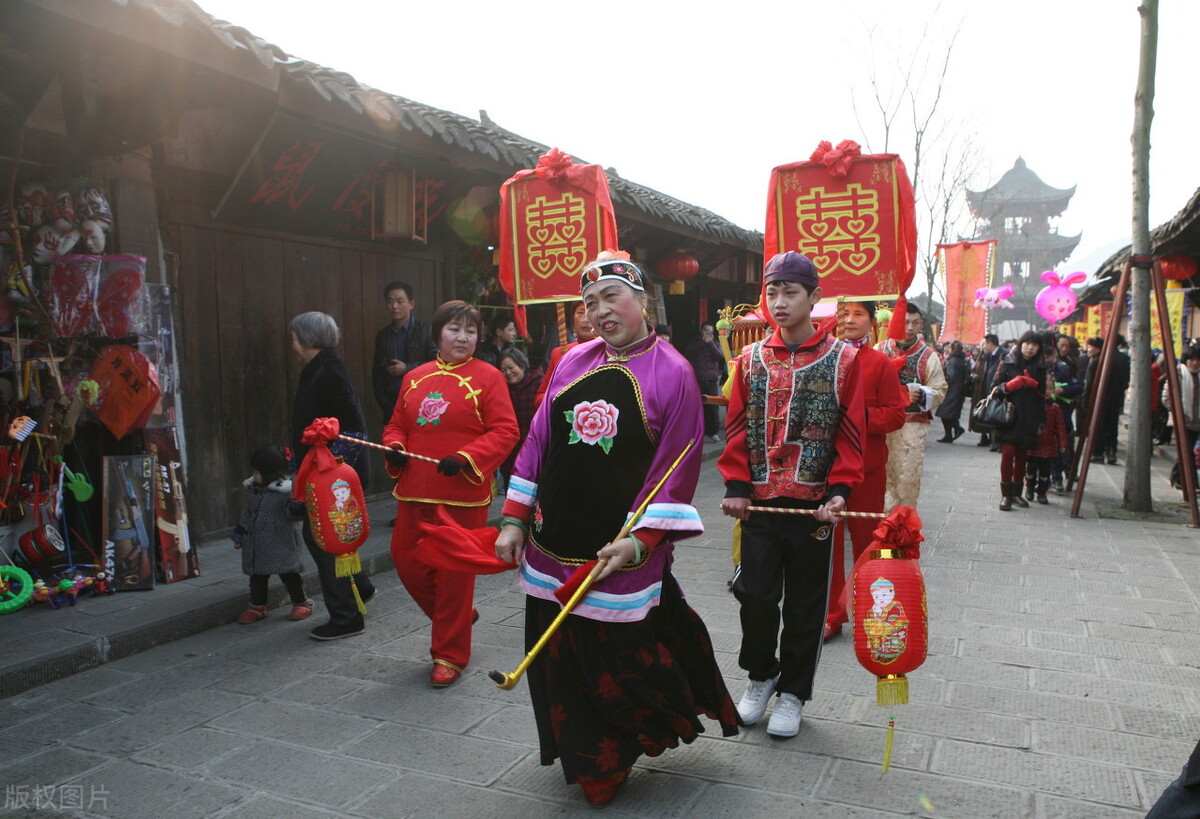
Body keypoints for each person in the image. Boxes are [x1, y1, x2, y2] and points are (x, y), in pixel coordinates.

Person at [493, 251, 737, 808]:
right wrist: (513, 518)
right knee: (558, 659)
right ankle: (584, 755)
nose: (600, 311)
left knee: (618, 658)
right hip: (554, 537)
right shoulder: (572, 361)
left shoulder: (673, 372)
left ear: (643, 300)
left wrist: (640, 541)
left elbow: (677, 468)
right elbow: (537, 442)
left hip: (617, 545)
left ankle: (615, 753)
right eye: (590, 302)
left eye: (611, 297)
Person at [719, 251, 865, 739]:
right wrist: (737, 487)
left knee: (806, 606)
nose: (779, 303)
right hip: (760, 502)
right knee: (753, 595)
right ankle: (761, 675)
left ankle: (794, 693)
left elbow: (850, 432)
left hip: (815, 507)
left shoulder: (845, 360)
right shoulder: (750, 359)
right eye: (773, 292)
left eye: (790, 292)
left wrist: (841, 491)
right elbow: (736, 427)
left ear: (814, 298)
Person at [383, 300, 519, 688]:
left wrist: (466, 456)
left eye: (471, 331)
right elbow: (397, 424)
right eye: (454, 329)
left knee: (454, 575)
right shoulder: (414, 377)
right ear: (438, 333)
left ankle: (450, 654)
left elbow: (505, 431)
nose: (462, 338)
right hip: (414, 489)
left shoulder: (489, 376)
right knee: (406, 562)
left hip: (462, 494)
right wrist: (393, 445)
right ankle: (458, 618)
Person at [289, 311, 377, 641]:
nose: (292, 345)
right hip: (323, 472)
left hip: (332, 475)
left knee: (324, 539)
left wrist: (333, 467)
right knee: (325, 537)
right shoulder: (320, 369)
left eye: (294, 338)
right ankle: (360, 588)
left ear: (308, 340)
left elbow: (354, 429)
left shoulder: (329, 372)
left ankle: (346, 615)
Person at [824, 300, 906, 642]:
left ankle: (877, 610)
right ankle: (832, 615)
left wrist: (860, 418)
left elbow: (896, 414)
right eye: (845, 313)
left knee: (867, 543)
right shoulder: (825, 360)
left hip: (867, 470)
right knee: (827, 545)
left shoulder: (880, 364)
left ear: (872, 322)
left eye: (859, 314)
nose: (850, 319)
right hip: (827, 468)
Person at [877, 302, 947, 510]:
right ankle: (880, 526)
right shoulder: (880, 349)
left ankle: (902, 527)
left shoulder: (928, 356)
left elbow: (940, 389)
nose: (909, 328)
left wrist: (923, 393)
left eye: (914, 323)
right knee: (882, 476)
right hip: (882, 424)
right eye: (905, 322)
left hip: (912, 425)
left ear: (921, 325)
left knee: (908, 477)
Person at [231, 445, 311, 624]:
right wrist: (239, 534)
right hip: (256, 542)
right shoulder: (253, 490)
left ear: (271, 473)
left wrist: (297, 505)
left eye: (258, 472)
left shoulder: (284, 492)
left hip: (281, 540)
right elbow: (248, 513)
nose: (254, 475)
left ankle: (301, 602)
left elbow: (293, 516)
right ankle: (257, 606)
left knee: (289, 573)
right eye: (254, 472)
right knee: (257, 576)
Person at [994, 331, 1048, 511]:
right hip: (1009, 416)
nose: (1030, 347)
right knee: (1008, 453)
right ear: (1021, 343)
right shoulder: (1007, 362)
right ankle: (1006, 495)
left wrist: (1041, 422)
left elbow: (1043, 398)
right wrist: (1009, 386)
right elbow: (993, 389)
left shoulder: (1041, 367)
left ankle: (1017, 492)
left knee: (1022, 456)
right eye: (1027, 343)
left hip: (1030, 417)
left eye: (1034, 344)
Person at [371, 281, 437, 421]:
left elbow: (437, 362)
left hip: (421, 400)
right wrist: (384, 403)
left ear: (411, 304)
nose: (394, 306)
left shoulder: (425, 331)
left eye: (400, 301)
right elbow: (377, 372)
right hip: (392, 403)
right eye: (390, 302)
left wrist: (407, 367)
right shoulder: (383, 336)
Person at [497, 348, 543, 485]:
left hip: (534, 452)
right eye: (503, 370)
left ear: (522, 365)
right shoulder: (501, 389)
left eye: (511, 367)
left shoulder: (539, 384)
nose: (508, 373)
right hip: (510, 455)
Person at [536, 301, 596, 404]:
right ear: (572, 320)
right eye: (581, 312)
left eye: (592, 312)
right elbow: (539, 398)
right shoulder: (560, 353)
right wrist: (558, 396)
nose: (586, 319)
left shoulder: (612, 352)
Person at [684, 323, 728, 442]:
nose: (708, 334)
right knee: (697, 407)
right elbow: (688, 352)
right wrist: (703, 342)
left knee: (713, 407)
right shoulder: (696, 343)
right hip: (698, 378)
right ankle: (698, 432)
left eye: (710, 332)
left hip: (712, 379)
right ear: (701, 331)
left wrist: (710, 343)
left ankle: (713, 432)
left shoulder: (715, 343)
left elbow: (719, 356)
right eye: (706, 331)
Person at [1166, 347, 1200, 492]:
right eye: (1192, 359)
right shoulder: (1179, 373)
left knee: (1187, 451)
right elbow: (1167, 398)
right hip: (1183, 419)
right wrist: (1178, 412)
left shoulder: (1199, 376)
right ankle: (1191, 484)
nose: (1195, 363)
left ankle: (1177, 476)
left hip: (1197, 420)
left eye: (1198, 360)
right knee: (1188, 452)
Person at [1024, 394, 1068, 504]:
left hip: (1049, 447)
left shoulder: (1055, 408)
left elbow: (1060, 427)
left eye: (1049, 389)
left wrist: (1062, 443)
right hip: (1034, 446)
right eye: (1045, 388)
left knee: (1045, 472)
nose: (1047, 391)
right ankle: (1030, 488)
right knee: (1031, 469)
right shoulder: (1033, 405)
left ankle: (1042, 493)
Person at [970, 334, 1004, 449]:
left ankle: (996, 442)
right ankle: (990, 439)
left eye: (984, 344)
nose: (982, 346)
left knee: (996, 414)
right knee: (989, 414)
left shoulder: (1003, 355)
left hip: (997, 390)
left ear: (990, 343)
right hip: (986, 389)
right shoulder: (987, 356)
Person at [935, 340, 969, 443]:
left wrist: (943, 381)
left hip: (951, 390)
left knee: (945, 413)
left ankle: (955, 430)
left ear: (952, 349)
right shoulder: (962, 360)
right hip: (958, 390)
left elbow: (951, 376)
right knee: (949, 413)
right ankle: (950, 433)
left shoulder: (953, 360)